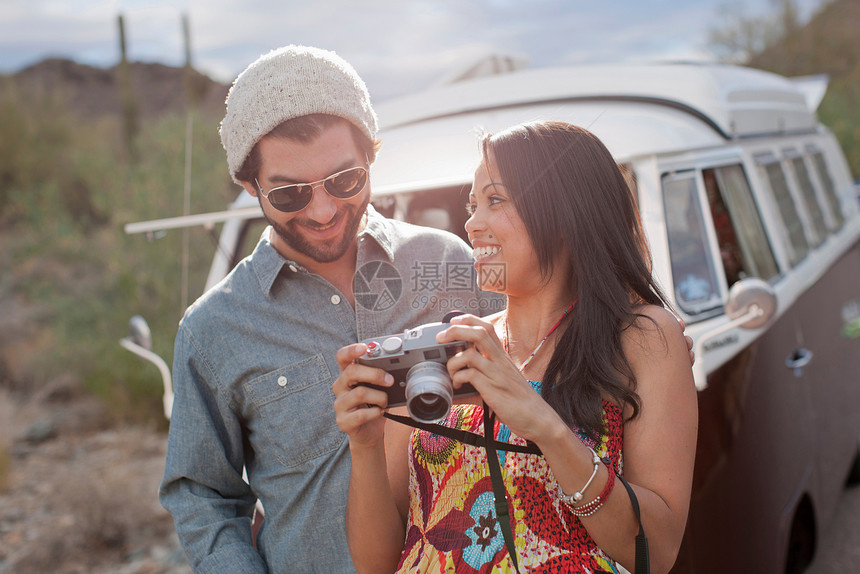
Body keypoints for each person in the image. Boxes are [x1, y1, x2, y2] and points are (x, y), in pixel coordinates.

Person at [158, 45, 504, 573]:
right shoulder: (212, 330)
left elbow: (536, 387)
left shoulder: (450, 261)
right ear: (249, 185)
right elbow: (205, 500)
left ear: (372, 156)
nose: (322, 212)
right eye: (290, 194)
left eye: (345, 181)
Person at [333, 121, 698, 573]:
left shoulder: (644, 338)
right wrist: (363, 448)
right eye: (472, 205)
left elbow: (656, 554)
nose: (472, 222)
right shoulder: (445, 346)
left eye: (495, 200)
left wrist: (546, 427)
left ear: (566, 213)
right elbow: (376, 565)